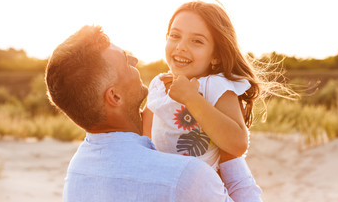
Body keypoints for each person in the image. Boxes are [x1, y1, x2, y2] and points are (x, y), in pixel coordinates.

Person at [45, 25, 262, 202]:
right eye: (125, 61)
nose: (135, 61)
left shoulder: (77, 173)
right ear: (115, 97)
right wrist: (229, 156)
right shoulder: (185, 178)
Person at [143, 0, 293, 172]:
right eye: (175, 36)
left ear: (216, 55)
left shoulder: (215, 86)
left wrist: (191, 99)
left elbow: (238, 144)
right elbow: (144, 138)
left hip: (204, 190)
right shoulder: (158, 86)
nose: (181, 46)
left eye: (197, 41)